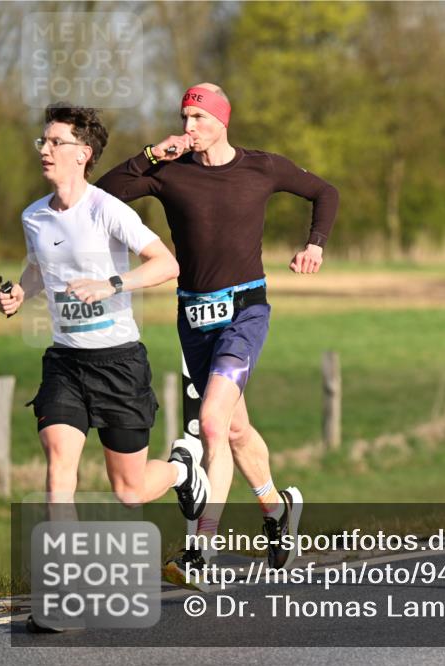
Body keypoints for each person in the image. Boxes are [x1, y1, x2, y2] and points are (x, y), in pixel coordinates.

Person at [96, 83, 339, 580]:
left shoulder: (261, 166)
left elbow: (324, 192)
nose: (188, 129)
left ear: (221, 120)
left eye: (198, 119)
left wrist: (315, 244)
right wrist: (148, 155)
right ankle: (277, 511)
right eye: (184, 118)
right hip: (192, 316)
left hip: (246, 309)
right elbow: (101, 195)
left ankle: (201, 549)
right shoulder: (169, 173)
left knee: (208, 422)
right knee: (232, 427)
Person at [0, 104, 209, 630]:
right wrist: (22, 288)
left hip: (118, 363)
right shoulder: (34, 216)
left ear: (83, 154)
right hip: (65, 363)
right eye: (42, 140)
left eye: (55, 141)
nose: (44, 149)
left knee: (129, 490)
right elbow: (39, 264)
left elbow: (167, 264)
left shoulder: (108, 209)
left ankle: (184, 468)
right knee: (58, 464)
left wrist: (112, 285)